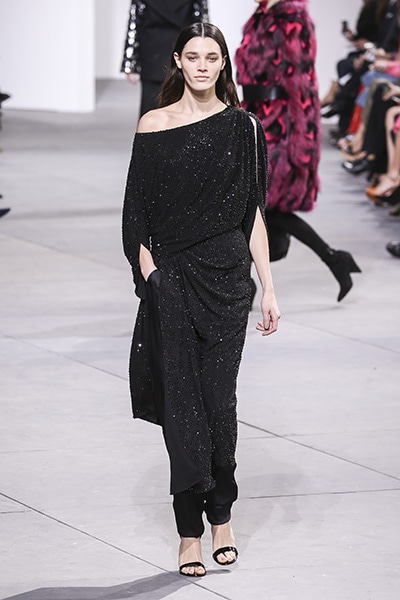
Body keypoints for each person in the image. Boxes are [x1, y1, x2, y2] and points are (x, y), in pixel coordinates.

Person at [122, 22, 281, 577]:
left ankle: (222, 518)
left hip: (228, 282)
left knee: (218, 404)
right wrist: (153, 278)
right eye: (193, 56)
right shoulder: (154, 124)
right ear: (177, 61)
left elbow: (253, 213)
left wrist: (268, 286)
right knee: (181, 407)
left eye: (212, 57)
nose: (202, 66)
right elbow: (136, 212)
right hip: (172, 282)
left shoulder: (244, 128)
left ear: (223, 64)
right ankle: (189, 532)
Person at [235, 0, 361, 302]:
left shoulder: (293, 19)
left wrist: (302, 139)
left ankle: (243, 283)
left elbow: (302, 85)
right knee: (261, 207)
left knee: (261, 204)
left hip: (281, 125)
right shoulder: (260, 16)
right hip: (255, 116)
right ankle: (334, 259)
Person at [120, 0, 209, 117]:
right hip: (181, 51)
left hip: (152, 53)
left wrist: (130, 63)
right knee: (180, 107)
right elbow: (202, 25)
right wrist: (204, 57)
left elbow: (135, 23)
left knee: (151, 109)